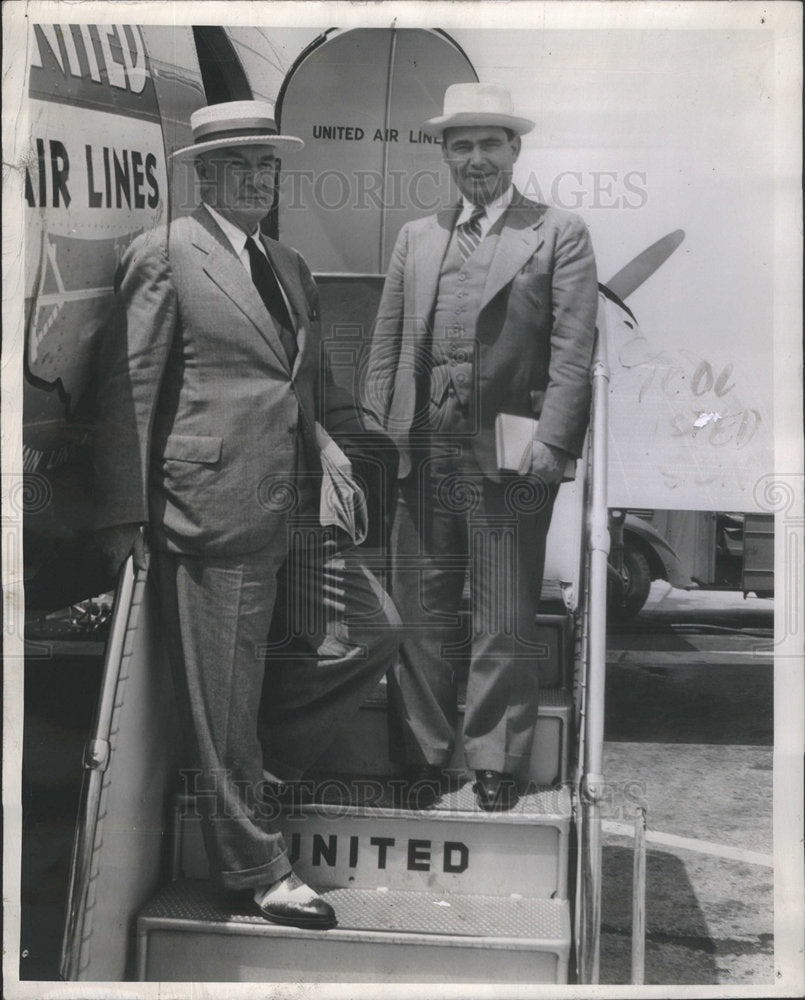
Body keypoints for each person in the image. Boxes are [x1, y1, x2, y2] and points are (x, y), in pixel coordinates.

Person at [93, 101, 400, 930]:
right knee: (223, 693)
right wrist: (124, 524)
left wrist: (330, 449)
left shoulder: (287, 262)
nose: (261, 178)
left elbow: (293, 381)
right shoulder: (165, 254)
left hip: (292, 500)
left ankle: (242, 773)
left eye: (269, 165)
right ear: (205, 174)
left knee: (371, 632)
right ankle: (256, 868)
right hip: (210, 511)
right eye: (242, 165)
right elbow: (128, 392)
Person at [362, 83, 598, 811]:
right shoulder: (417, 235)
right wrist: (376, 437)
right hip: (421, 451)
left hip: (509, 455)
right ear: (443, 154)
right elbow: (386, 346)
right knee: (420, 613)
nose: (475, 159)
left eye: (488, 144)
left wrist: (553, 442)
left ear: (514, 149)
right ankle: (427, 755)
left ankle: (496, 758)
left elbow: (571, 350)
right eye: (460, 146)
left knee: (503, 614)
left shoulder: (557, 232)